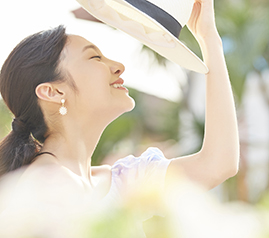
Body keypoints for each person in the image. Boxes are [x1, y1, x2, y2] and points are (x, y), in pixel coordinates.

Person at [0, 0, 239, 237]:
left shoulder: (121, 180)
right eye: (95, 58)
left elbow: (218, 164)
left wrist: (209, 39)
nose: (119, 66)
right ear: (53, 92)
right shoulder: (42, 190)